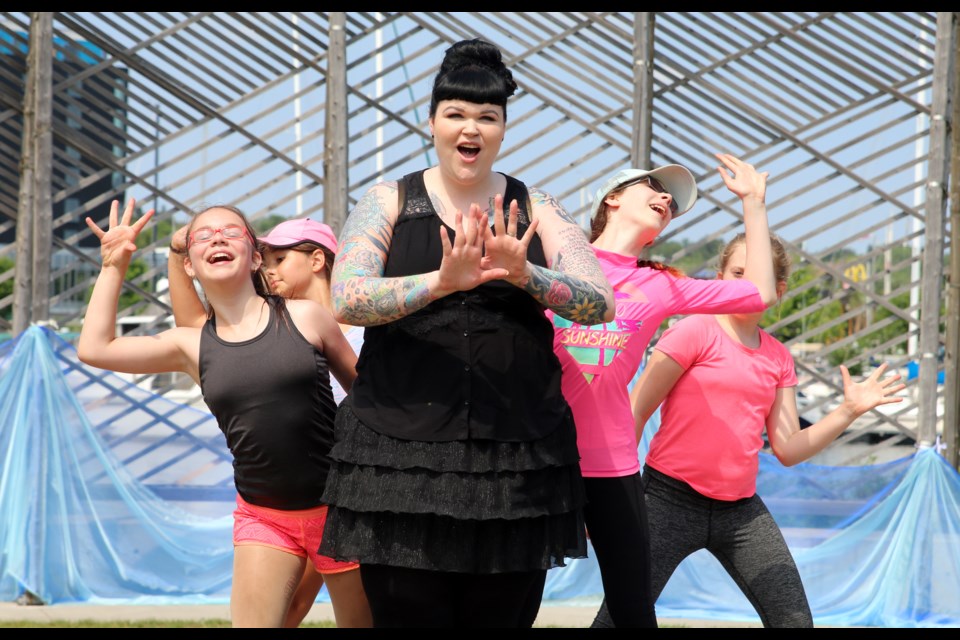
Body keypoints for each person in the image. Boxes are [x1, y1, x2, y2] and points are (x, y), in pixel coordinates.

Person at [316, 38, 616, 628]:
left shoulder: (538, 206)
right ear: (432, 122)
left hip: (517, 457)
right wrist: (440, 282)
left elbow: (599, 302)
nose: (470, 128)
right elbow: (346, 298)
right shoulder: (389, 201)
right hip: (399, 457)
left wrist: (526, 274)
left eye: (487, 116)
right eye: (455, 113)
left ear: (503, 127)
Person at [78, 199, 371, 628]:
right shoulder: (189, 345)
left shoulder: (306, 317)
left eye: (231, 231)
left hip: (342, 507)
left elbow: (366, 400)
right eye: (202, 235)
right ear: (190, 265)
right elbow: (94, 348)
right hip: (264, 515)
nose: (216, 237)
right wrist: (113, 266)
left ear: (255, 257)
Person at [592, 233, 906, 628]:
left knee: (794, 622)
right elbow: (634, 412)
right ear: (720, 277)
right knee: (619, 620)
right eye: (737, 273)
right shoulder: (693, 332)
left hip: (741, 512)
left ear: (777, 290)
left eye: (755, 276)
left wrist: (847, 410)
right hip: (667, 501)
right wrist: (616, 501)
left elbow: (788, 449)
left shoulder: (778, 357)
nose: (744, 284)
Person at [548, 154, 780, 628]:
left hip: (611, 466)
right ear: (612, 199)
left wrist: (754, 203)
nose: (666, 198)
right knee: (514, 599)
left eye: (672, 200)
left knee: (633, 611)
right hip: (540, 458)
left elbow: (760, 291)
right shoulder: (552, 266)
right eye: (652, 187)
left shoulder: (661, 284)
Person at [169, 217, 363, 405]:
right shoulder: (274, 322)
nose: (269, 271)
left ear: (316, 260)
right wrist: (178, 253)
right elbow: (194, 327)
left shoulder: (366, 329)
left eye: (280, 259)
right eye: (266, 264)